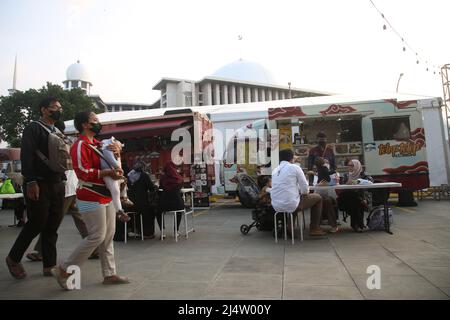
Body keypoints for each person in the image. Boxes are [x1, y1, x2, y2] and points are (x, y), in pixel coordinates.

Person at [53, 110, 130, 290]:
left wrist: (118, 150)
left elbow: (112, 162)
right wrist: (107, 173)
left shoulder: (98, 144)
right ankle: (64, 269)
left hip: (105, 195)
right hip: (89, 194)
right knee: (97, 236)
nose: (98, 123)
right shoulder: (80, 146)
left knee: (108, 236)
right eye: (94, 120)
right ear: (85, 125)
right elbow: (82, 172)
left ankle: (109, 274)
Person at [5, 97, 66, 279]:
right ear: (43, 110)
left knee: (53, 224)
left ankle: (49, 265)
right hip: (39, 183)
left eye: (59, 108)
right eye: (54, 108)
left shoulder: (57, 130)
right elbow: (27, 155)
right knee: (36, 223)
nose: (58, 111)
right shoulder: (33, 128)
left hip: (57, 182)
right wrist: (30, 181)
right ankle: (13, 258)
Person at [26, 120, 99, 263]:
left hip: (64, 188)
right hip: (74, 186)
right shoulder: (70, 142)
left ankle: (41, 251)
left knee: (53, 221)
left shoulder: (55, 142)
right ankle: (94, 248)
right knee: (80, 219)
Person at [271, 149, 326, 236]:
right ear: (292, 158)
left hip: (276, 205)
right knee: (318, 197)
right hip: (291, 204)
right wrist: (304, 193)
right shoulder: (295, 167)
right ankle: (314, 228)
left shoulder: (275, 170)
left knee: (294, 199)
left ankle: (290, 227)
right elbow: (305, 189)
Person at [337, 159, 373, 233]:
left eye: (352, 165)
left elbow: (370, 181)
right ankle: (360, 224)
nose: (350, 167)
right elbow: (342, 186)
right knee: (355, 199)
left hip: (359, 197)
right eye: (349, 165)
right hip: (347, 198)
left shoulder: (363, 174)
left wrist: (359, 182)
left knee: (355, 202)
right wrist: (347, 183)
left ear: (357, 166)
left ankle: (356, 225)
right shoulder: (346, 175)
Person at [100, 136, 130, 223]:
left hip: (114, 173)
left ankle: (124, 197)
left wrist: (118, 156)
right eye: (119, 146)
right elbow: (115, 162)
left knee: (123, 182)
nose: (120, 148)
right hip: (108, 173)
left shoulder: (114, 151)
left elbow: (118, 163)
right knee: (115, 190)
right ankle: (119, 211)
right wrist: (118, 167)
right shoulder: (107, 148)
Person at [126, 161, 157, 239]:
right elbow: (151, 188)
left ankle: (133, 230)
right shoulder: (144, 176)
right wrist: (156, 186)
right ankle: (147, 233)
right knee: (150, 211)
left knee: (135, 212)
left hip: (128, 205)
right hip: (141, 205)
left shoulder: (128, 175)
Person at [156, 161, 184, 236]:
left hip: (164, 204)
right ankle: (176, 231)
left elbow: (160, 189)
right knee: (178, 212)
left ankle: (162, 232)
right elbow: (180, 190)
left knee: (158, 213)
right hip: (177, 204)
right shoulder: (179, 178)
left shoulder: (163, 179)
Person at [314, 157, 339, 233]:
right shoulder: (318, 173)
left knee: (328, 201)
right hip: (320, 194)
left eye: (327, 162)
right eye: (324, 162)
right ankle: (315, 226)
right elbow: (315, 185)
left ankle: (333, 225)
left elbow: (335, 183)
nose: (326, 164)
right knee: (316, 201)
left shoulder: (334, 174)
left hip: (330, 196)